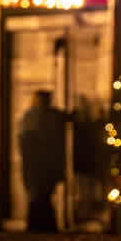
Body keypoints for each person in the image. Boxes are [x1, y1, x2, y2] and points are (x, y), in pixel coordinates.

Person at [18, 90, 70, 232]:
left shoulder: (49, 117)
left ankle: (41, 225)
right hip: (35, 163)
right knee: (38, 195)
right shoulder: (31, 117)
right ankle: (41, 225)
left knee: (42, 195)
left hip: (45, 163)